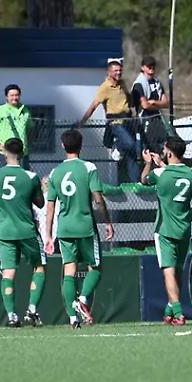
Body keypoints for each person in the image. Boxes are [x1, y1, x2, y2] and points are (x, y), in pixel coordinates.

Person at [44, 129, 114, 329]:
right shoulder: (89, 167)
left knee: (69, 271)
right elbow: (98, 198)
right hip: (85, 227)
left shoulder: (55, 172)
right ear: (81, 146)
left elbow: (50, 206)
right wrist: (107, 221)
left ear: (63, 146)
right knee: (96, 268)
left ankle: (73, 318)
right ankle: (82, 299)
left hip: (64, 228)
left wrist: (48, 235)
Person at [0, 138, 47, 327]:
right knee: (39, 267)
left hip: (4, 231)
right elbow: (40, 203)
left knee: (8, 272)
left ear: (4, 153)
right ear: (22, 154)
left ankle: (12, 315)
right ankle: (32, 309)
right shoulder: (30, 177)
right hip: (26, 230)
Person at [142, 136, 192, 325]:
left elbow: (144, 180)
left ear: (169, 152)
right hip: (184, 229)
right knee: (178, 272)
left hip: (165, 229)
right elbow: (175, 175)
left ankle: (179, 313)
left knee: (168, 271)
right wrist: (162, 165)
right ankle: (170, 311)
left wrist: (150, 164)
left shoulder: (159, 174)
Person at [77, 57, 139, 184]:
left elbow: (128, 97)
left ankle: (135, 182)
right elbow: (94, 105)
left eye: (120, 70)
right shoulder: (104, 87)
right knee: (130, 144)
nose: (118, 73)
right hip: (116, 123)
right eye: (115, 70)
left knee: (133, 153)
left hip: (128, 121)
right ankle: (117, 146)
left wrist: (134, 109)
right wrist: (82, 121)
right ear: (109, 72)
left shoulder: (122, 84)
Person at [0, 84, 32, 167]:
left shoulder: (25, 110)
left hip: (23, 154)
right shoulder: (0, 110)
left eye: (17, 95)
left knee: (24, 178)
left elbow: (30, 128)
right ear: (6, 97)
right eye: (12, 95)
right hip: (6, 154)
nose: (15, 98)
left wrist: (28, 144)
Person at [131, 56, 169, 153]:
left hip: (158, 118)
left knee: (168, 141)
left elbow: (166, 102)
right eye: (149, 66)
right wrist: (155, 104)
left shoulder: (158, 83)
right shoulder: (139, 84)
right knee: (151, 146)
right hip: (145, 119)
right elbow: (145, 105)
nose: (151, 69)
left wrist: (154, 102)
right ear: (143, 67)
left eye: (153, 66)